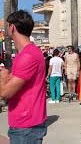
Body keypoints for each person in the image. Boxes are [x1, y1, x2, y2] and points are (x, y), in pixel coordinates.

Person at [0, 10, 47, 143]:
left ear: (12, 27)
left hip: (26, 126)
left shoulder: (27, 56)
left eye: (7, 26)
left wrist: (3, 75)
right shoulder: (30, 53)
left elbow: (5, 93)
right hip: (28, 124)